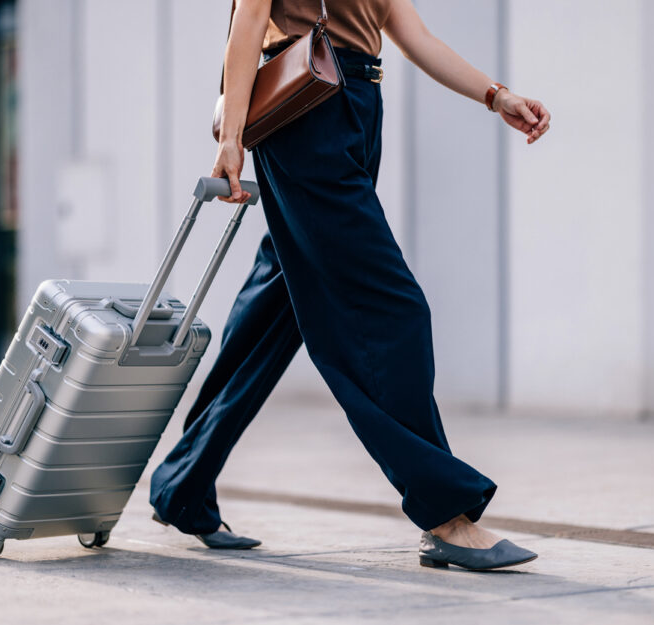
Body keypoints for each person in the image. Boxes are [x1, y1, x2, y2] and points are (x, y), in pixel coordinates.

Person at [150, 0, 550, 571]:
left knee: (277, 305)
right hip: (306, 110)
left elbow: (415, 36)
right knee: (390, 308)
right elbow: (246, 24)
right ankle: (444, 515)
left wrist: (496, 95)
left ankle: (181, 483)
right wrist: (231, 138)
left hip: (357, 107)